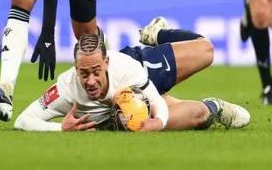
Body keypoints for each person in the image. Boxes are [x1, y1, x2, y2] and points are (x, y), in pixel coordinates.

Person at [13, 30, 250, 132]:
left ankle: (158, 33)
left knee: (206, 51)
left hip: (140, 78)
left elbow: (155, 101)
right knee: (200, 115)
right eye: (84, 74)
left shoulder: (127, 68)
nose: (91, 81)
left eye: (96, 71)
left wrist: (159, 122)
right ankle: (214, 107)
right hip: (124, 116)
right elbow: (23, 120)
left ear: (106, 62)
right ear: (76, 69)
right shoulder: (66, 88)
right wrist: (60, 129)